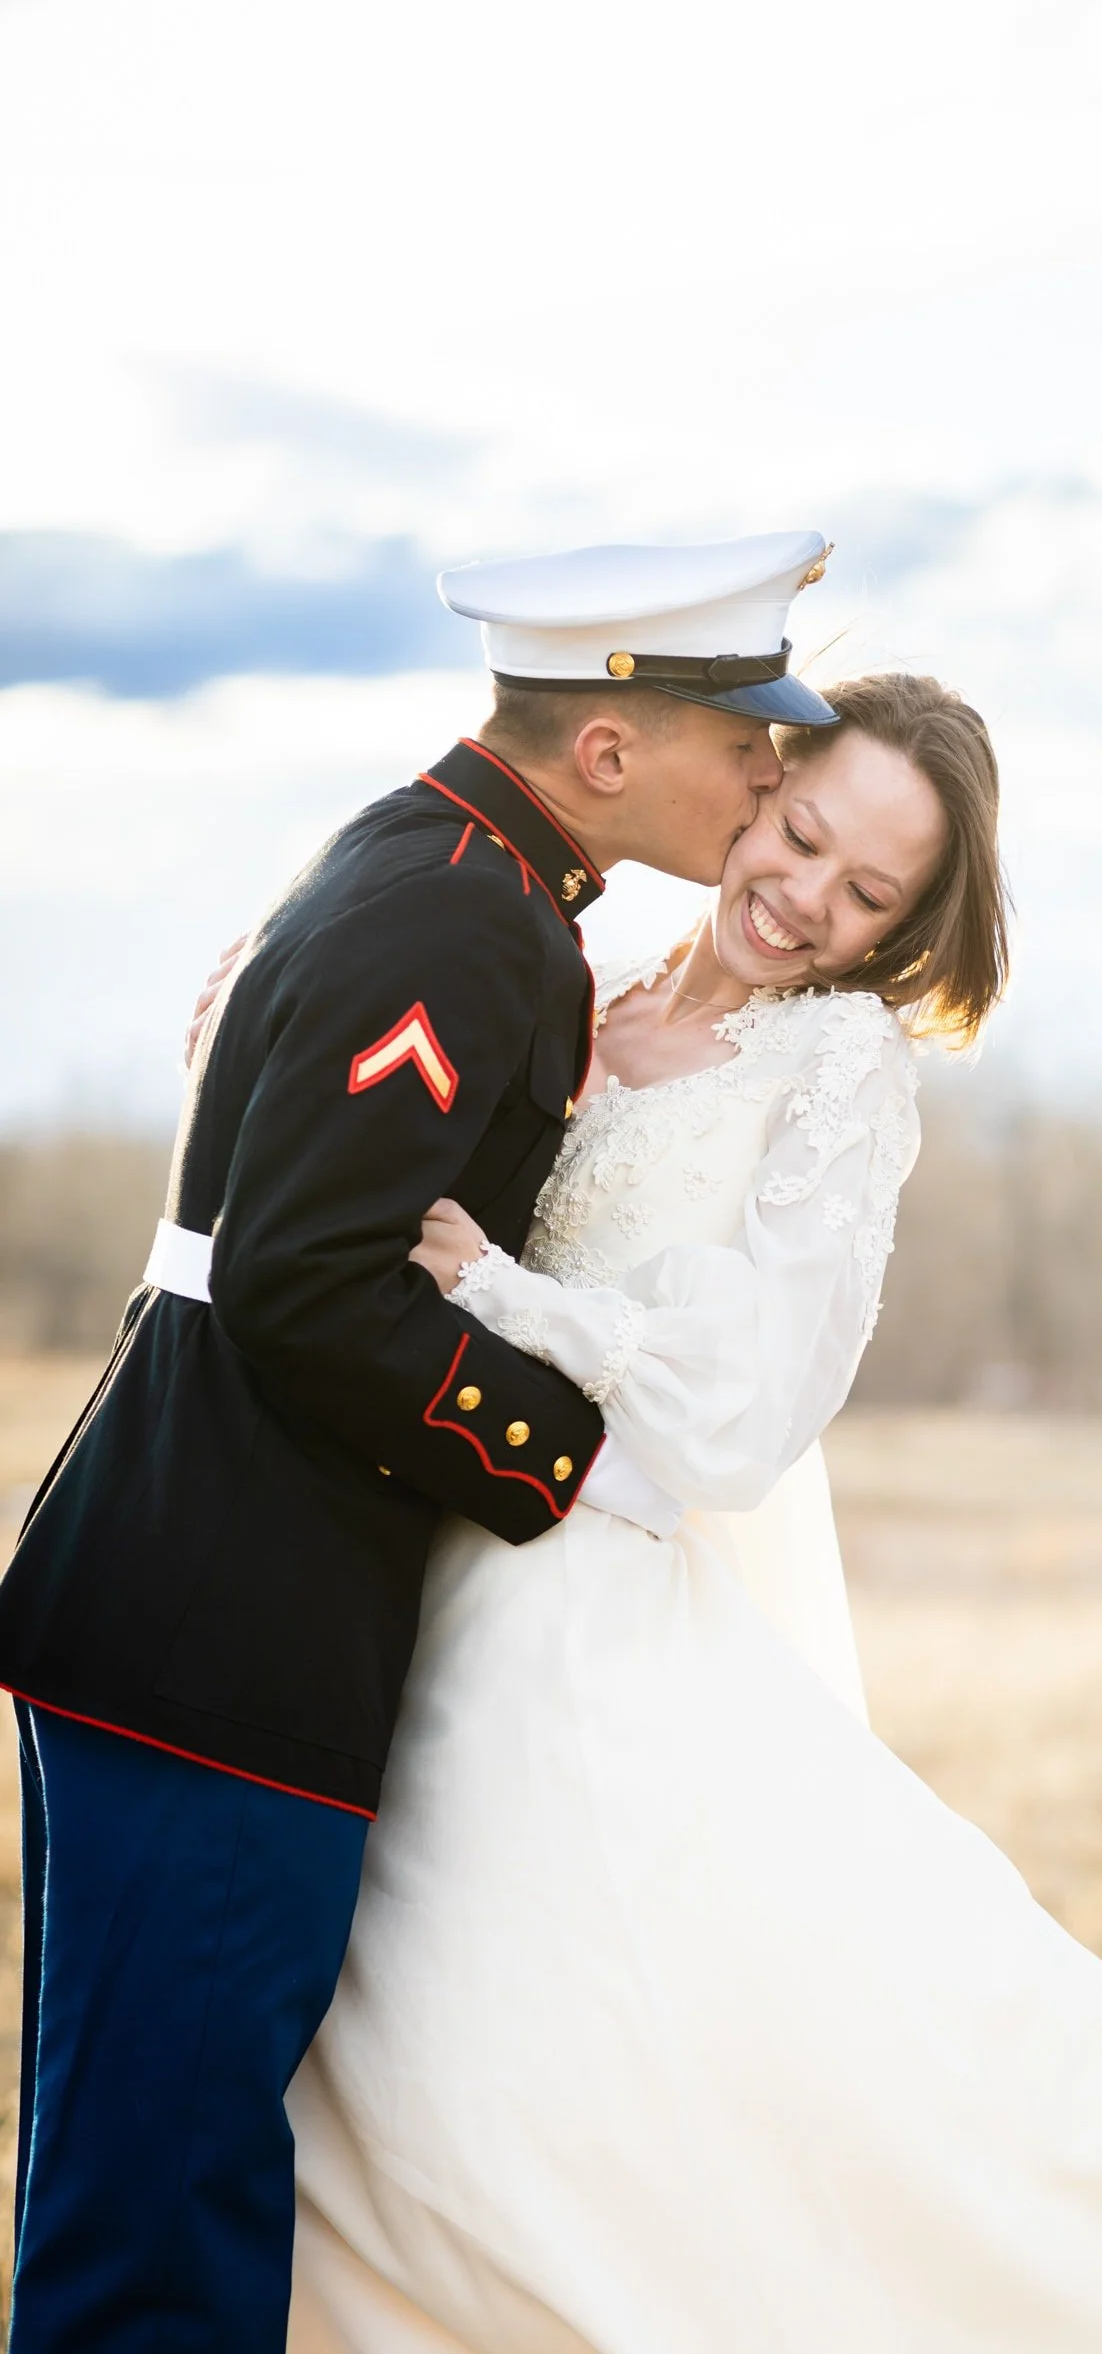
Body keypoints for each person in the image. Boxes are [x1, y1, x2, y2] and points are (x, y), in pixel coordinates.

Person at [284, 674, 1102, 2353]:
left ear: (909, 928)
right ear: (762, 776)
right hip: (433, 1562)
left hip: (589, 1604)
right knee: (408, 2061)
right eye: (800, 836)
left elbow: (752, 1408)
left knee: (557, 2035)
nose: (803, 899)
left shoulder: (840, 1064)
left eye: (868, 895)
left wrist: (513, 1296)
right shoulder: (587, 982)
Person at [0, 529, 837, 2352]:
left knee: (155, 2179)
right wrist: (582, 1464)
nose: (771, 772)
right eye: (744, 738)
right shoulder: (468, 910)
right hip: (227, 1628)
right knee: (155, 2227)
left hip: (189, 1607)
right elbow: (312, 1286)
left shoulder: (440, 865)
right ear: (607, 750)